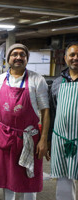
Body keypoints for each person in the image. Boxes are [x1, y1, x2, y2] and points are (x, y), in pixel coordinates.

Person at [0, 43, 50, 200]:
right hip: (5, 137)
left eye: (22, 54)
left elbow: (46, 111)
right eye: (14, 54)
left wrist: (43, 140)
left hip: (29, 137)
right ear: (8, 58)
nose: (18, 57)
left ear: (27, 58)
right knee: (8, 177)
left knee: (29, 176)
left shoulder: (37, 80)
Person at [49, 42, 78, 200]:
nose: (75, 58)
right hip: (61, 139)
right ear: (65, 58)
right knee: (64, 177)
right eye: (72, 55)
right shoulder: (57, 82)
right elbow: (53, 112)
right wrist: (47, 140)